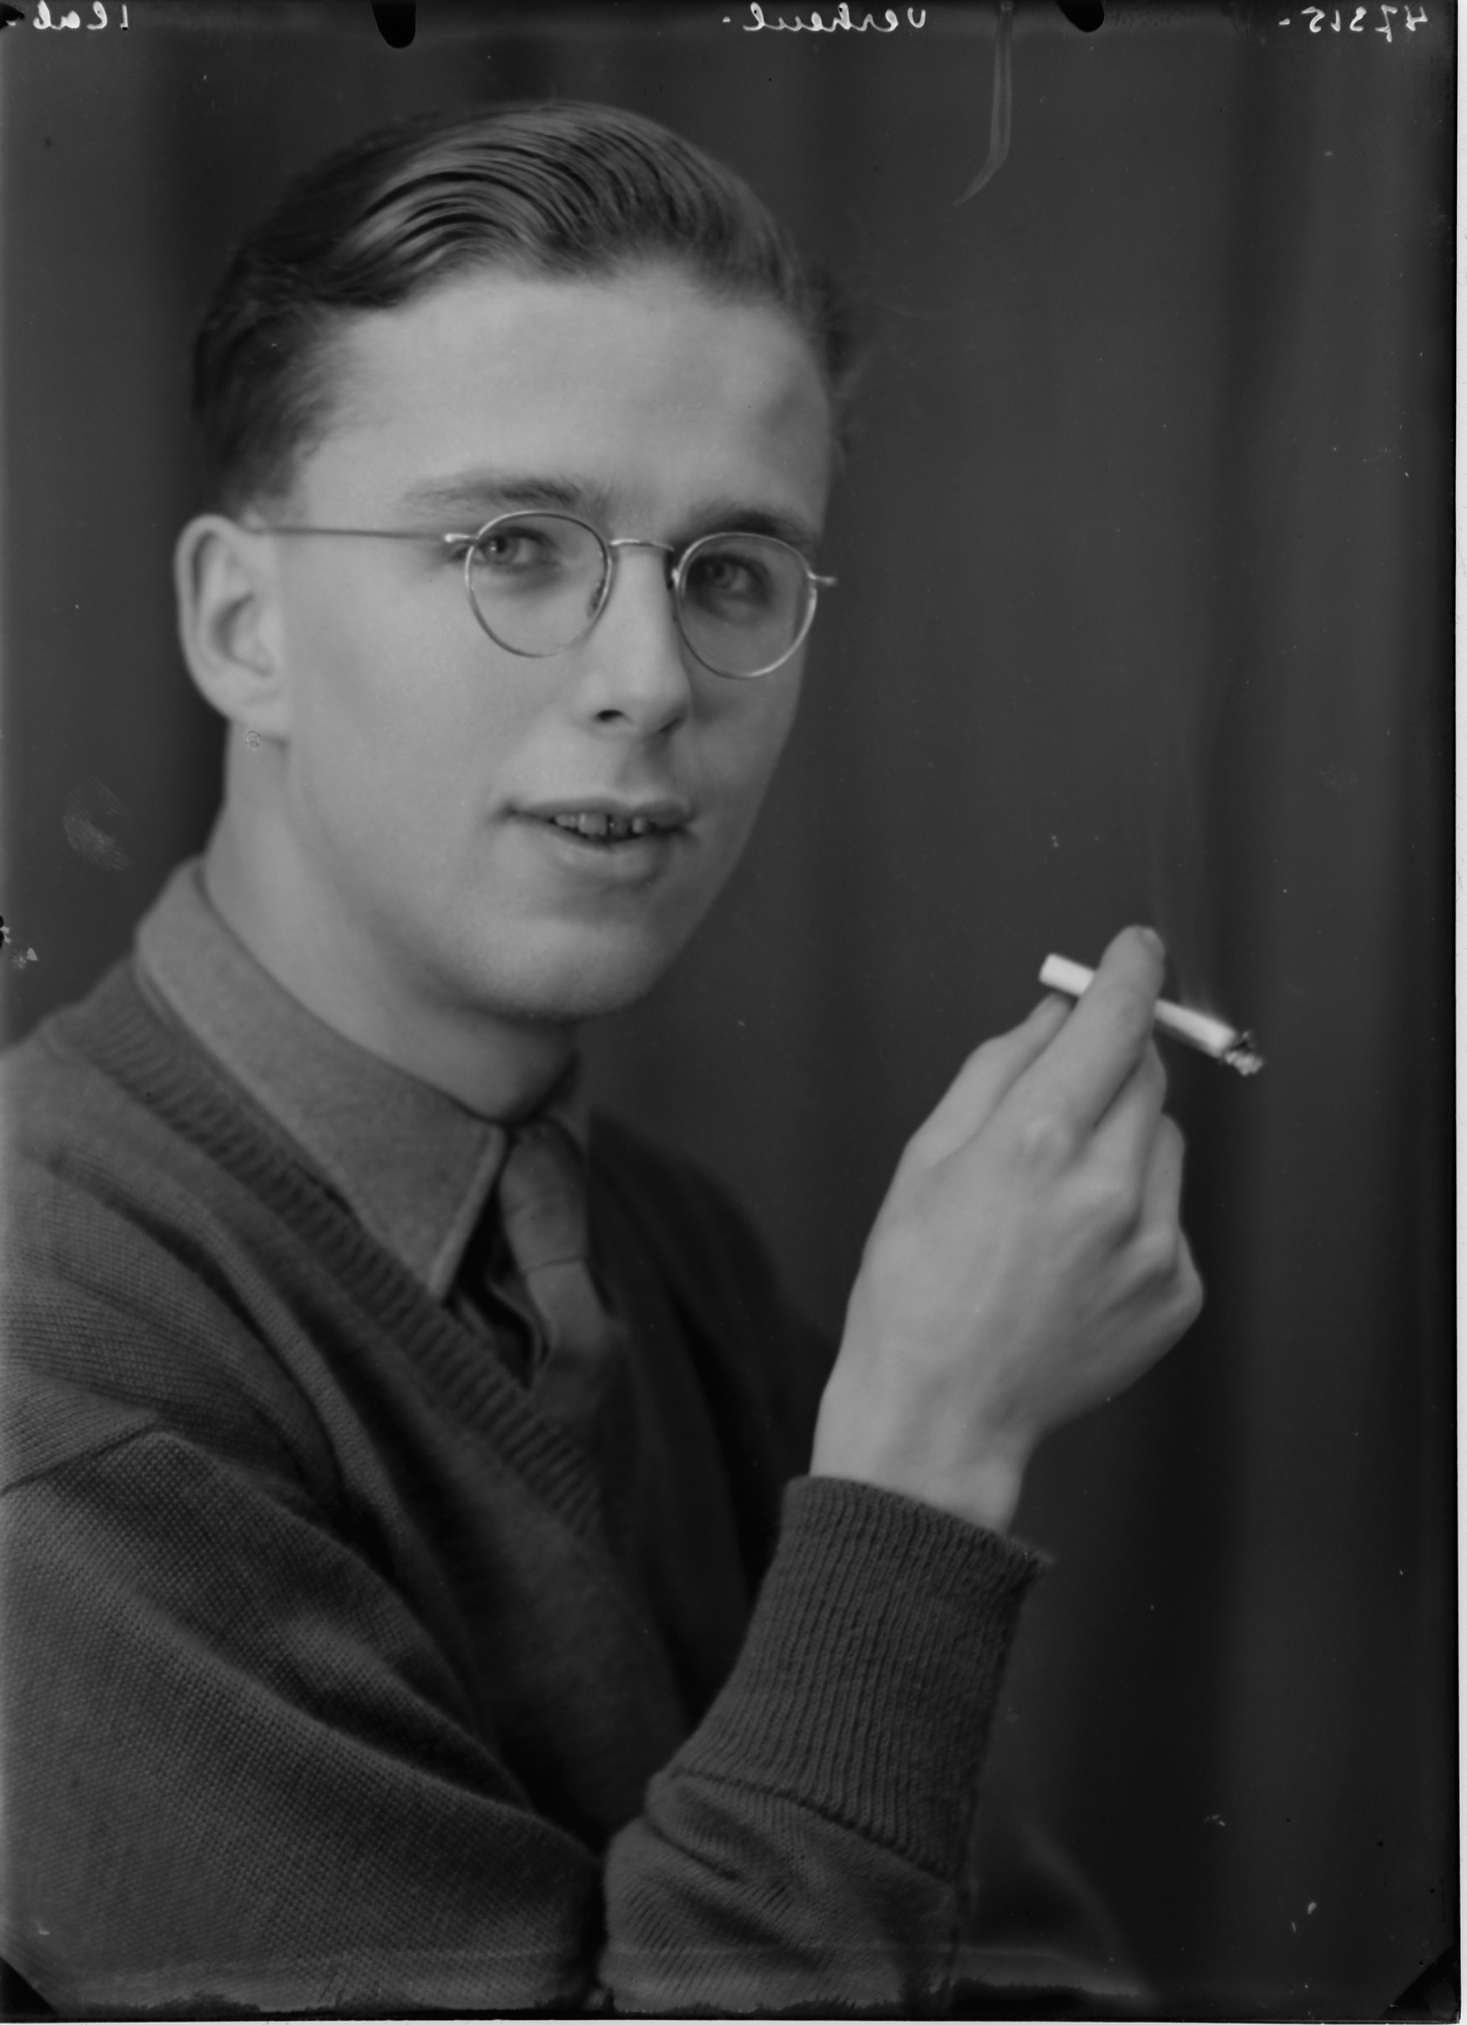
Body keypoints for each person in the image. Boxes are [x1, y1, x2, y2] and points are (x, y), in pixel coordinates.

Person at [0, 102, 1202, 2016]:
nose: (648, 680)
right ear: (244, 626)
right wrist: (924, 1454)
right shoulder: (53, 1356)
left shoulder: (673, 1251)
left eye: (731, 572)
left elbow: (1005, 1963)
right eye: (512, 544)